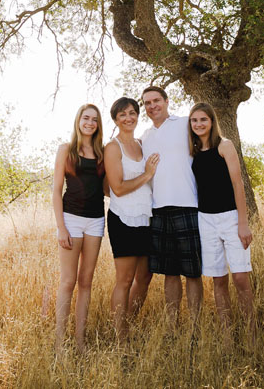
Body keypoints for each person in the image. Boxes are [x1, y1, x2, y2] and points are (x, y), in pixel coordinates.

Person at [188, 102, 255, 344]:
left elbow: (238, 185)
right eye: (194, 120)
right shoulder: (193, 153)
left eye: (203, 119)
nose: (198, 124)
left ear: (211, 121)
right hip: (205, 220)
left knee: (240, 278)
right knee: (219, 280)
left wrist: (243, 222)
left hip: (230, 218)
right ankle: (228, 337)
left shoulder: (224, 146)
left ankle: (251, 335)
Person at [140, 86, 204, 326]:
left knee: (193, 272)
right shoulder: (144, 137)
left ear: (166, 101)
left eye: (156, 100)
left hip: (188, 205)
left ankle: (196, 327)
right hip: (158, 209)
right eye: (147, 103)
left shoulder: (185, 123)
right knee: (170, 272)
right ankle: (172, 326)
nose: (152, 106)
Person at [103, 97, 159, 343]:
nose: (129, 118)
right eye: (123, 114)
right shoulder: (113, 147)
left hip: (146, 218)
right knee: (124, 280)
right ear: (115, 119)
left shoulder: (141, 143)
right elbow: (117, 187)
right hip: (123, 219)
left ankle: (129, 322)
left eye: (132, 113)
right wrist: (147, 174)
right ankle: (121, 337)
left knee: (145, 277)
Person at [52, 103, 106, 355]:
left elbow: (106, 187)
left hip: (96, 220)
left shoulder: (102, 153)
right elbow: (55, 190)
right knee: (68, 281)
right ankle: (59, 343)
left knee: (86, 282)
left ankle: (80, 342)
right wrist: (61, 227)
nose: (90, 123)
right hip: (71, 218)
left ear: (98, 124)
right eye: (86, 118)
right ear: (78, 120)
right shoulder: (66, 150)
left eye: (94, 119)